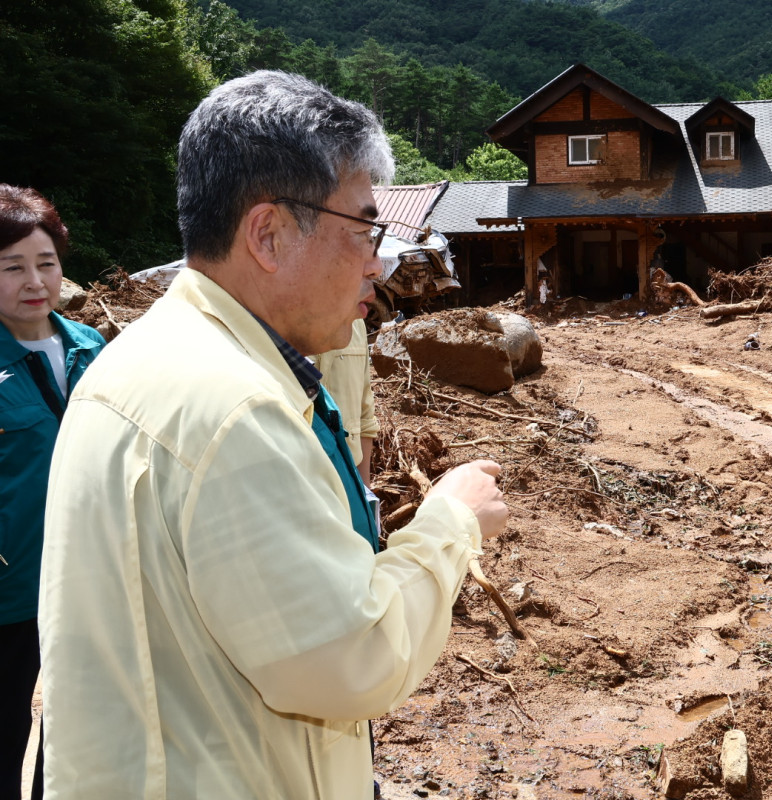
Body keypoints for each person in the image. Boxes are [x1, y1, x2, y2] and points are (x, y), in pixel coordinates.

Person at [38, 71, 507, 799]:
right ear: (268, 234)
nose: (376, 263)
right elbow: (354, 659)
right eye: (363, 229)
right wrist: (451, 525)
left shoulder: (148, 354)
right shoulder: (232, 411)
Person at [0, 185, 105, 800]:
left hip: (87, 586)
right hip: (11, 595)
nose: (34, 281)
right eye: (12, 267)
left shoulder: (96, 352)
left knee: (76, 733)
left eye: (46, 263)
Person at [312, 317, 379, 484]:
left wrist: (364, 496)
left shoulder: (356, 324)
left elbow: (365, 418)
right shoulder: (273, 321)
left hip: (346, 485)